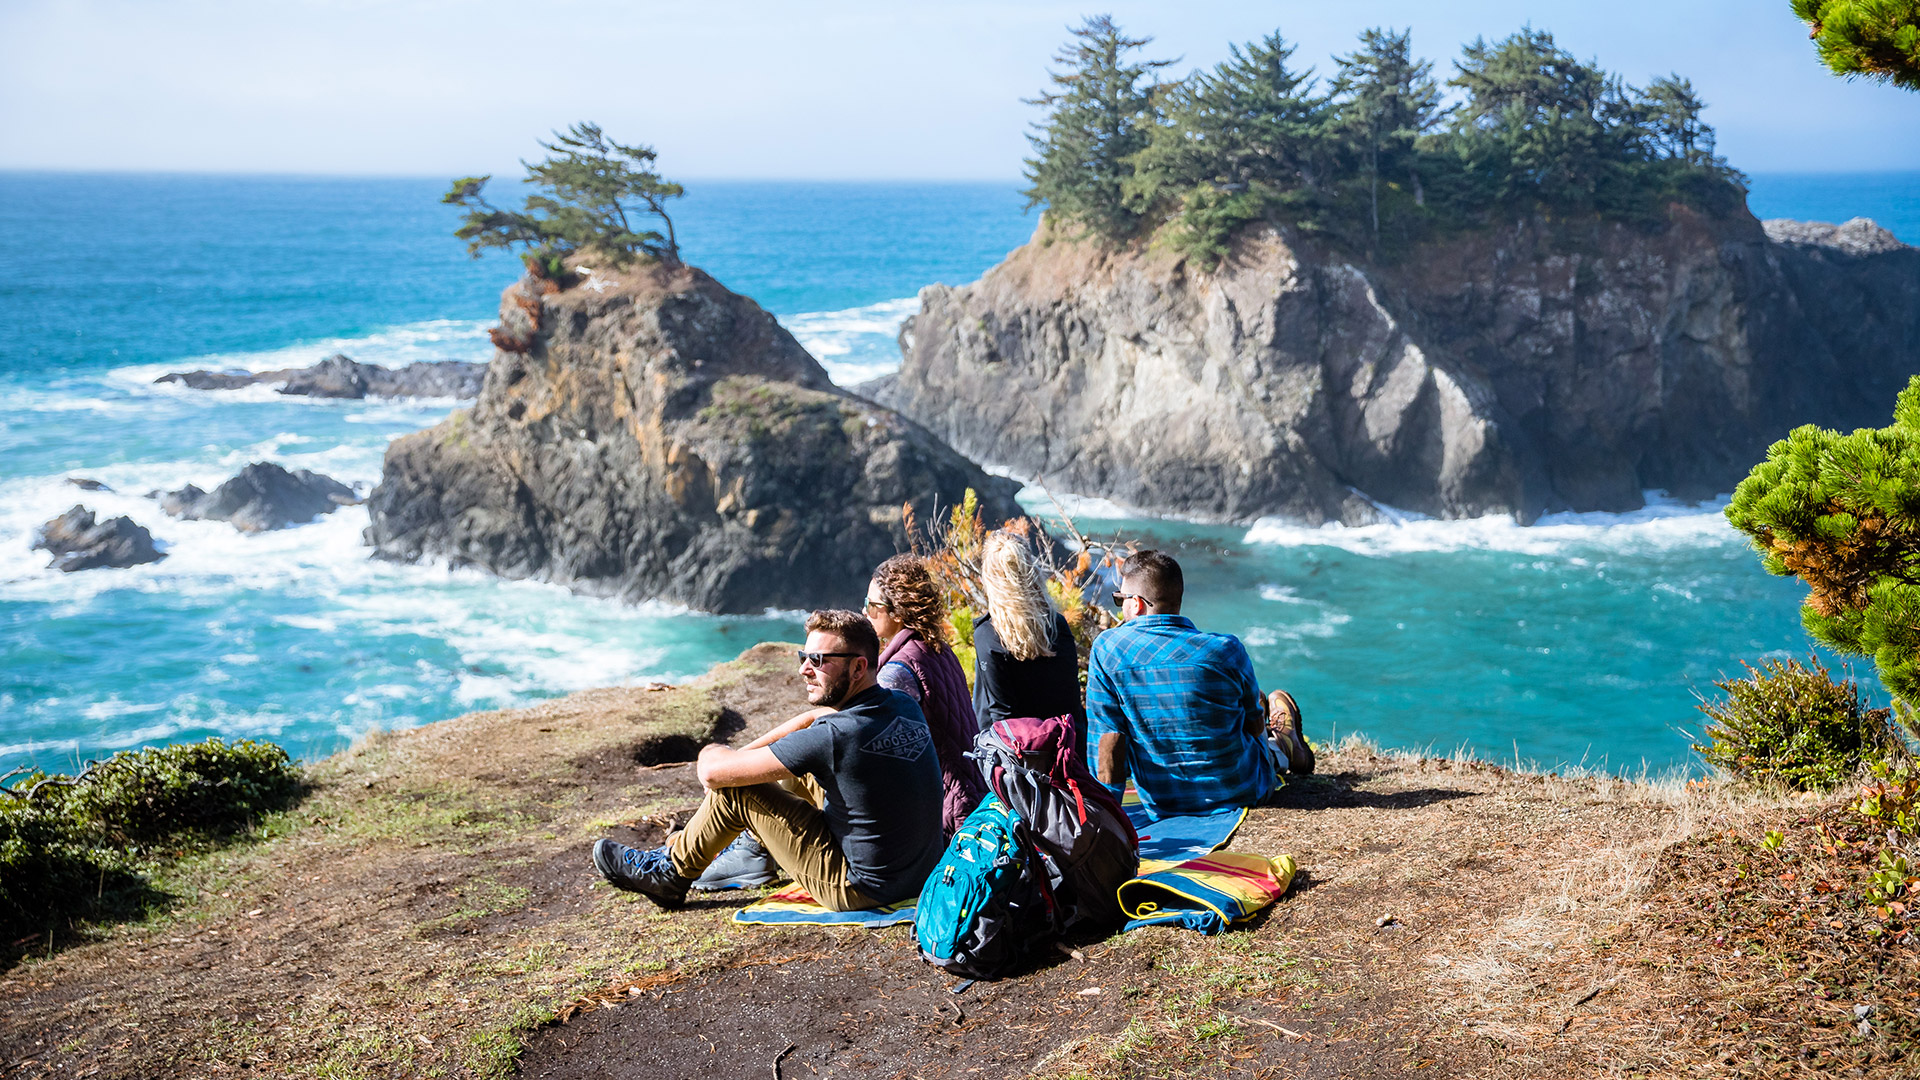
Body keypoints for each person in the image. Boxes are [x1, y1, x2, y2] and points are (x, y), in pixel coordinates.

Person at [591, 609, 945, 911]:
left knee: (738, 790)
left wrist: (714, 752)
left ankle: (670, 873)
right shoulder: (901, 703)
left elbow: (715, 775)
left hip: (859, 888)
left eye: (819, 661)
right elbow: (811, 726)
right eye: (803, 657)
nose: (805, 669)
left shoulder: (835, 736)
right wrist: (744, 757)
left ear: (858, 668)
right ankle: (753, 850)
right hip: (918, 871)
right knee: (793, 774)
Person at [1085, 550, 1310, 820]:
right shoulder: (1226, 649)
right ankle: (1284, 745)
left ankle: (1283, 745)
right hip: (1242, 791)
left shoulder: (1107, 651)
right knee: (1256, 704)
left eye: (1119, 599)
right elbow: (1253, 726)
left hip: (1164, 804)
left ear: (1136, 604)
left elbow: (1107, 740)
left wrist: (1106, 818)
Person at [866, 554, 987, 836]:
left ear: (896, 612)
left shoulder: (896, 672)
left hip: (944, 813)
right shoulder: (938, 648)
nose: (865, 613)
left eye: (872, 606)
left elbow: (875, 750)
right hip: (972, 795)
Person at [972, 530, 1085, 759]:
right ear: (1031, 572)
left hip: (1021, 762)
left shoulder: (989, 635)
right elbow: (1068, 698)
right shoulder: (1056, 624)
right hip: (1067, 752)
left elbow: (1001, 715)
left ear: (988, 579)